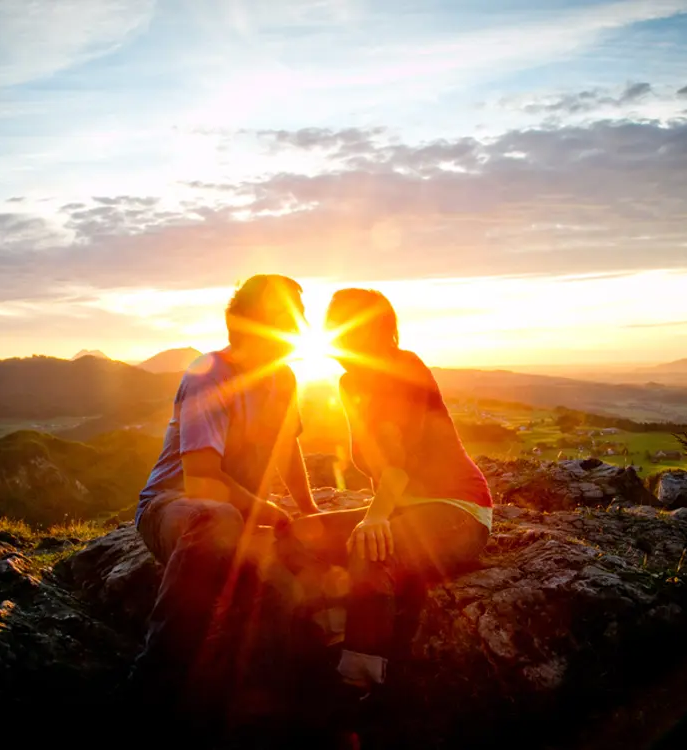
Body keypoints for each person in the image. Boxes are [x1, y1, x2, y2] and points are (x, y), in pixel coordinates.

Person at [281, 288, 493, 703]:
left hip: (458, 509)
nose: (329, 331)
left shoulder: (404, 367)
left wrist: (375, 517)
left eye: (339, 323)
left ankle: (356, 685)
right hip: (402, 509)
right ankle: (335, 633)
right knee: (295, 536)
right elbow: (373, 460)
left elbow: (400, 461)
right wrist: (378, 513)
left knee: (372, 550)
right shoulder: (349, 383)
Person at [130, 274, 319, 723]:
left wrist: (309, 514)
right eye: (288, 315)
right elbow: (200, 481)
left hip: (242, 512)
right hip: (173, 507)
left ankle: (276, 707)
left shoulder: (285, 378)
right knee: (217, 522)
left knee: (289, 569)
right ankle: (153, 685)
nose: (301, 324)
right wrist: (268, 510)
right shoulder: (211, 374)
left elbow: (287, 449)